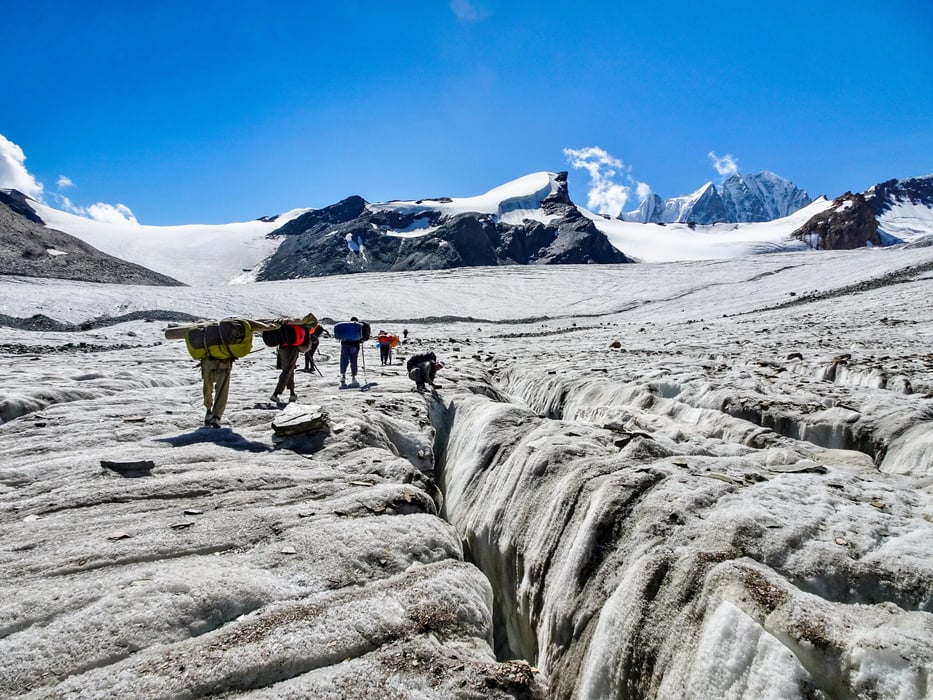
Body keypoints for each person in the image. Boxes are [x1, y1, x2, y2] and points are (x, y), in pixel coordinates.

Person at [271, 333, 312, 403]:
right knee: (287, 371)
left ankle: (292, 394)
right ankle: (276, 394)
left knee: (289, 370)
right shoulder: (296, 324)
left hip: (282, 348)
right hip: (292, 349)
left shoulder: (284, 325)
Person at [202, 357, 233, 428]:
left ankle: (208, 411)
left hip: (207, 363)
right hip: (224, 364)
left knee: (207, 388)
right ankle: (216, 416)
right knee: (222, 390)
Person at [339, 316, 368, 387]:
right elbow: (362, 337)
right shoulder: (359, 327)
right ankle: (353, 377)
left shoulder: (347, 327)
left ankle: (343, 375)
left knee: (344, 360)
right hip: (355, 346)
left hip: (345, 345)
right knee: (354, 361)